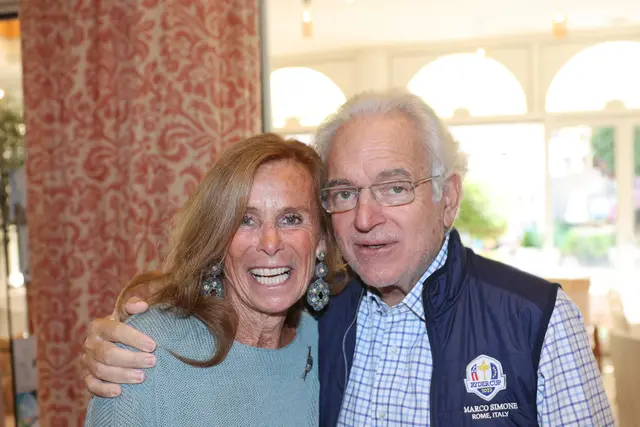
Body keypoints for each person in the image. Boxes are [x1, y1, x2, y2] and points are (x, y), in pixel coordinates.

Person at [83, 91, 615, 426]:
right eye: (344, 193)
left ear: (448, 198)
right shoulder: (324, 317)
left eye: (394, 187)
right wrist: (140, 320)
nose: (365, 217)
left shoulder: (536, 320)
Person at [83, 133, 344, 426]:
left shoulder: (326, 341)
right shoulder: (141, 353)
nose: (270, 243)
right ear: (217, 239)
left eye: (291, 219)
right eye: (246, 220)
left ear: (322, 239)